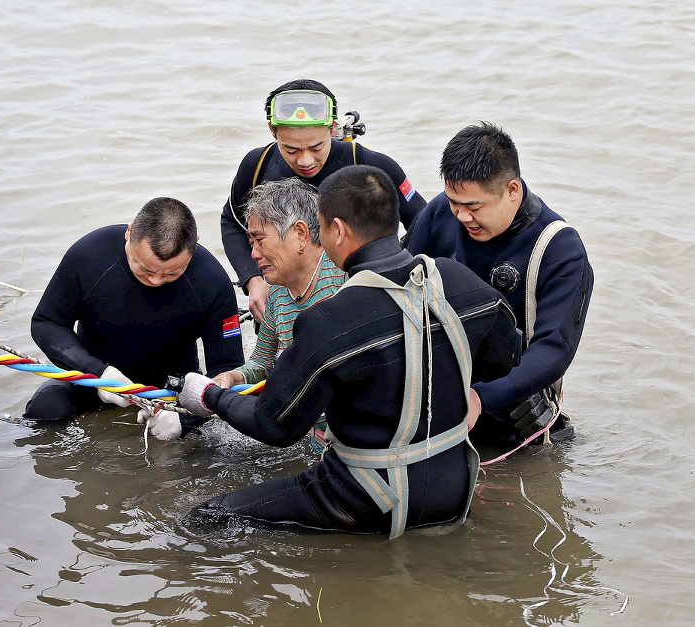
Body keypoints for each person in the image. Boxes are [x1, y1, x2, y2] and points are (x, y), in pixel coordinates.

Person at [176, 165, 520, 537]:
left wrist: (209, 395)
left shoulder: (329, 317)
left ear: (336, 231)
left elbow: (272, 425)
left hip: (370, 498)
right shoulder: (460, 280)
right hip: (455, 488)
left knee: (210, 516)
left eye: (322, 228)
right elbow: (508, 358)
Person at [405, 122, 593, 450]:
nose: (461, 217)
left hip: (514, 414)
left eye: (474, 207)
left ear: (512, 191)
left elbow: (554, 349)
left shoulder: (560, 249)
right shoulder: (440, 212)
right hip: (439, 397)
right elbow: (398, 284)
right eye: (454, 202)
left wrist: (482, 397)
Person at [221, 78, 427, 324]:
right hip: (284, 309)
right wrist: (253, 280)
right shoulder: (257, 165)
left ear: (333, 128)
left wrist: (395, 279)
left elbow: (424, 221)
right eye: (291, 150)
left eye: (316, 147)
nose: (305, 160)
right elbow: (232, 222)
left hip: (362, 305)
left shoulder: (373, 166)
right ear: (272, 131)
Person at [24, 197, 244, 423]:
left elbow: (228, 369)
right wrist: (98, 374)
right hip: (93, 378)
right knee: (44, 410)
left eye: (172, 273)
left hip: (170, 391)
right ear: (129, 233)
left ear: (194, 246)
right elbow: (46, 322)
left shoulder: (213, 282)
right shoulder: (89, 255)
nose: (157, 280)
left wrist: (184, 421)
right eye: (144, 268)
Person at [212, 177, 346, 453]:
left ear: (300, 234)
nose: (253, 254)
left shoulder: (345, 275)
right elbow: (262, 363)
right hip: (313, 438)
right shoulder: (277, 295)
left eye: (259, 240)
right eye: (251, 243)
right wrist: (232, 378)